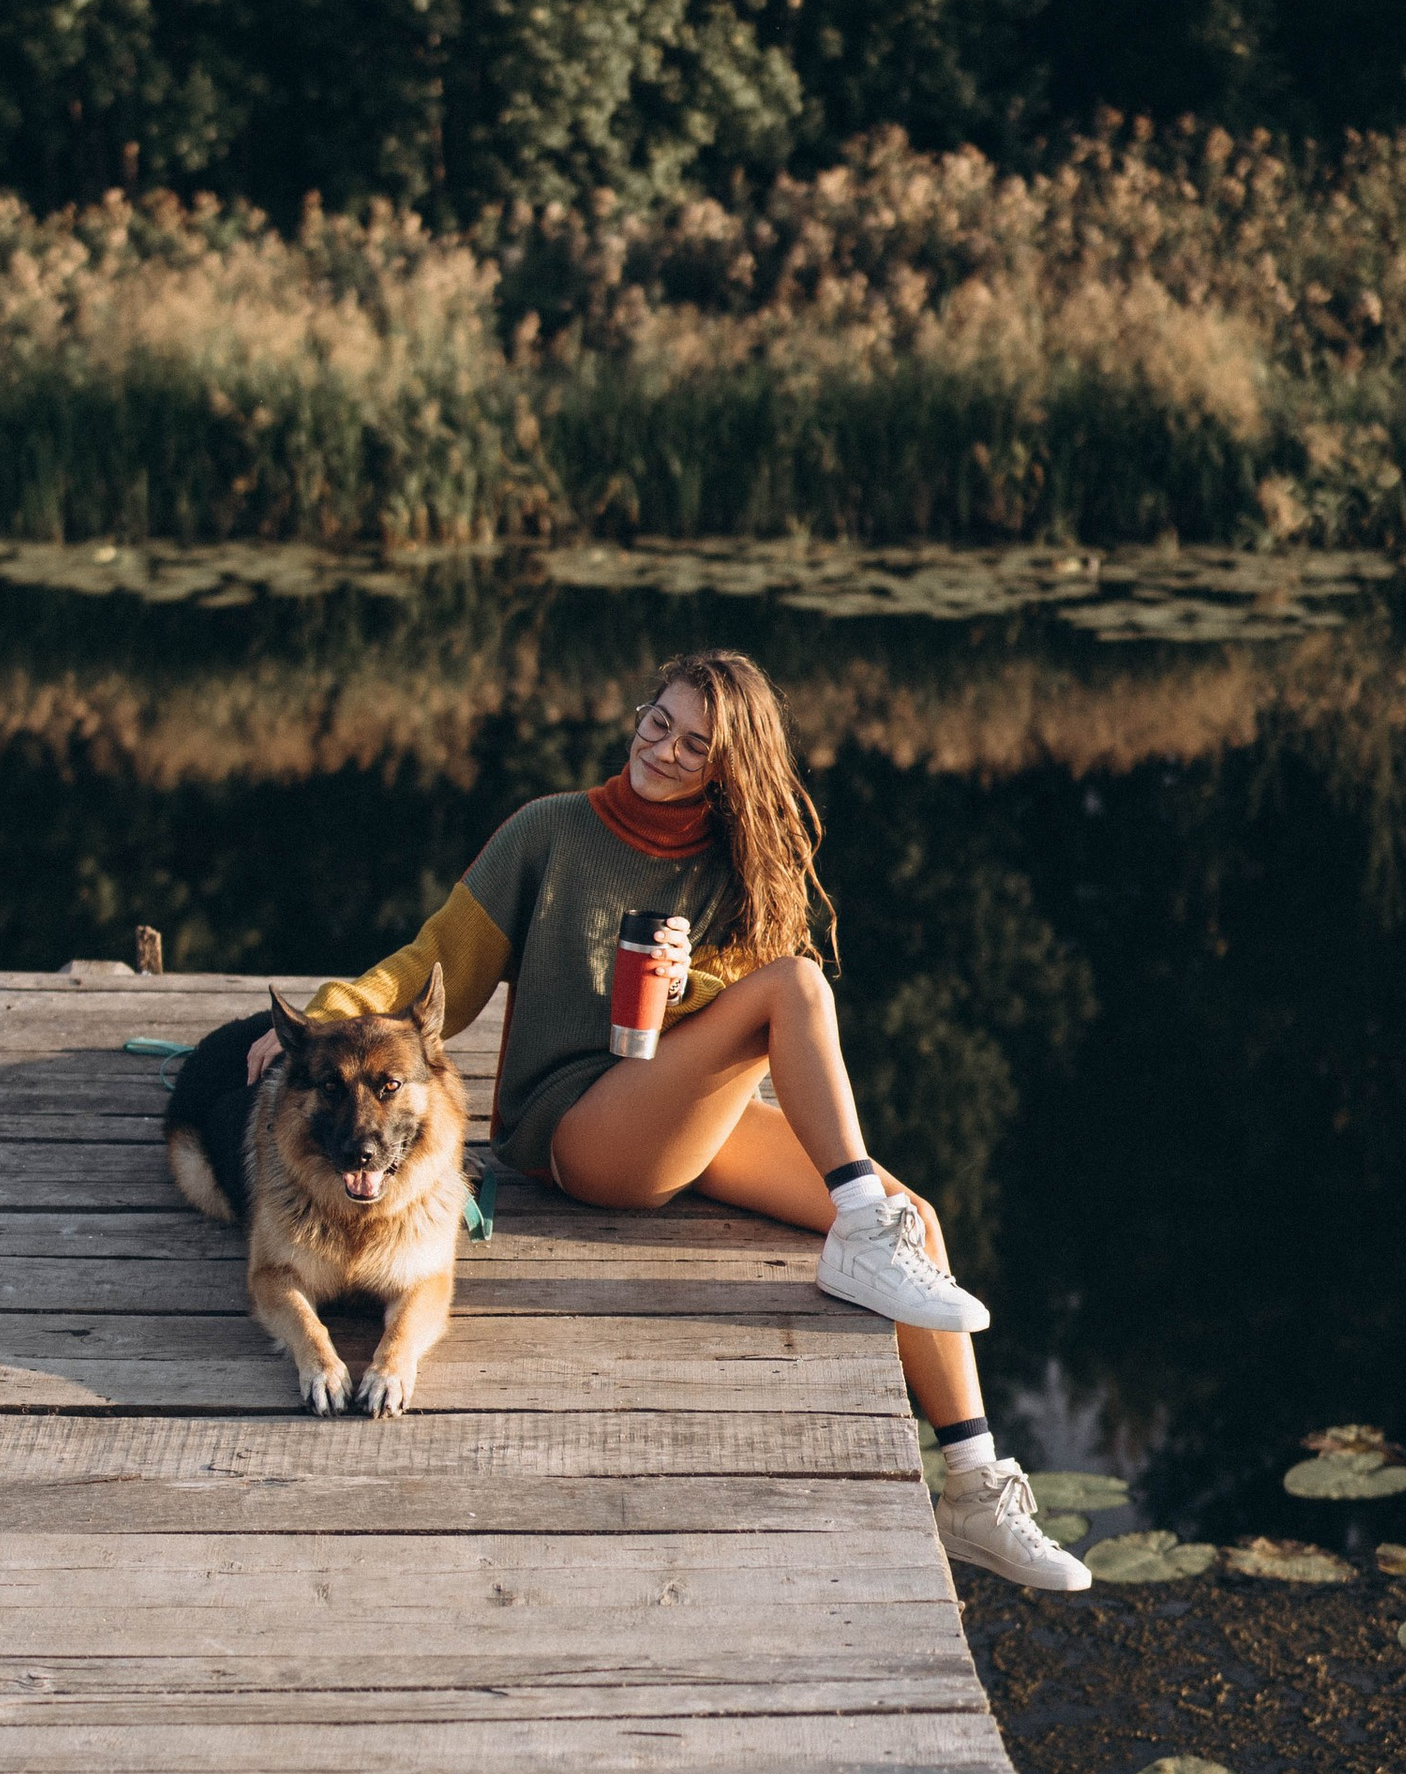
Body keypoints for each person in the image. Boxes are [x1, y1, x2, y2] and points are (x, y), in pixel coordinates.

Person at [252, 645, 1090, 1592]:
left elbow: (739, 1018)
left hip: (677, 1123)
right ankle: (859, 1224)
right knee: (799, 988)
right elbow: (431, 957)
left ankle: (977, 1490)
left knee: (917, 1220)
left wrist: (702, 985)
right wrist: (329, 1011)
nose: (668, 751)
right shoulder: (550, 832)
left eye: (699, 747)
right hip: (573, 1130)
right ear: (639, 712)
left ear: (732, 769)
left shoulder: (741, 868)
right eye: (661, 723)